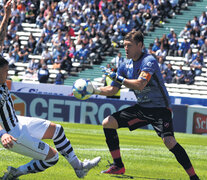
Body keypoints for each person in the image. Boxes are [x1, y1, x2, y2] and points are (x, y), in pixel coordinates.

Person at [91, 31, 199, 180]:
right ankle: (118, 166)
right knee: (108, 123)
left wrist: (119, 78)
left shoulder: (149, 60)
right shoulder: (124, 65)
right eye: (124, 46)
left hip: (160, 110)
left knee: (169, 142)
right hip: (142, 108)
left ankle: (194, 177)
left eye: (129, 45)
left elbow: (140, 85)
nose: (126, 49)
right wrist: (93, 90)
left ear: (140, 45)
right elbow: (112, 89)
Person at [0, 57, 101, 179]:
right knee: (53, 157)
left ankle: (79, 166)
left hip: (17, 121)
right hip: (12, 134)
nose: (8, 73)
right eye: (6, 71)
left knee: (57, 130)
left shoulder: (2, 82)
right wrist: (3, 134)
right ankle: (16, 172)